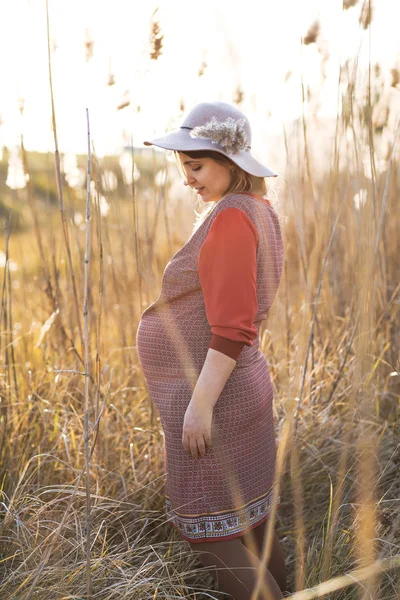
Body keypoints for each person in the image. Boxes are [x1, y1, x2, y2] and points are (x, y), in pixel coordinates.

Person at [136, 101, 288, 599]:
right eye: (185, 169)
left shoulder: (230, 219)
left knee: (213, 534)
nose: (189, 180)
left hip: (218, 399)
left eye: (196, 167)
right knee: (253, 527)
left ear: (229, 161)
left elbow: (229, 327)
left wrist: (199, 408)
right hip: (240, 388)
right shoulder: (258, 210)